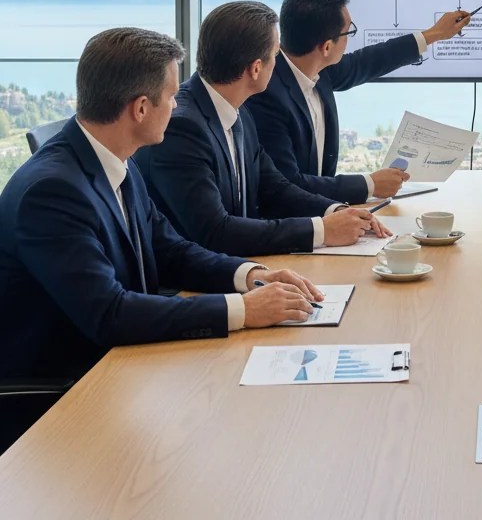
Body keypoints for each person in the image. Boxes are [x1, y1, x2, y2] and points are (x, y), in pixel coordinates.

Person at [0, 28, 324, 392]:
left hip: (128, 363)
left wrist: (250, 275)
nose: (177, 104)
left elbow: (170, 249)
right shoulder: (51, 192)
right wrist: (244, 310)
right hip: (70, 392)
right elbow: (110, 314)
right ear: (140, 108)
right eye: (171, 96)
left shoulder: (115, 159)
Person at [136, 2, 390, 257]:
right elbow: (215, 231)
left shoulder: (239, 111)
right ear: (256, 68)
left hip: (240, 267)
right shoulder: (182, 128)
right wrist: (321, 231)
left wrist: (335, 211)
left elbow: (274, 187)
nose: (278, 64)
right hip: (193, 286)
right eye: (275, 55)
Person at [247, 0, 471, 202]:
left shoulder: (319, 69)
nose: (348, 41)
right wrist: (370, 184)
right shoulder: (266, 96)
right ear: (326, 47)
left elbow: (366, 62)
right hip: (292, 226)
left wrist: (434, 34)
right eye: (348, 32)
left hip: (323, 213)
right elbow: (287, 185)